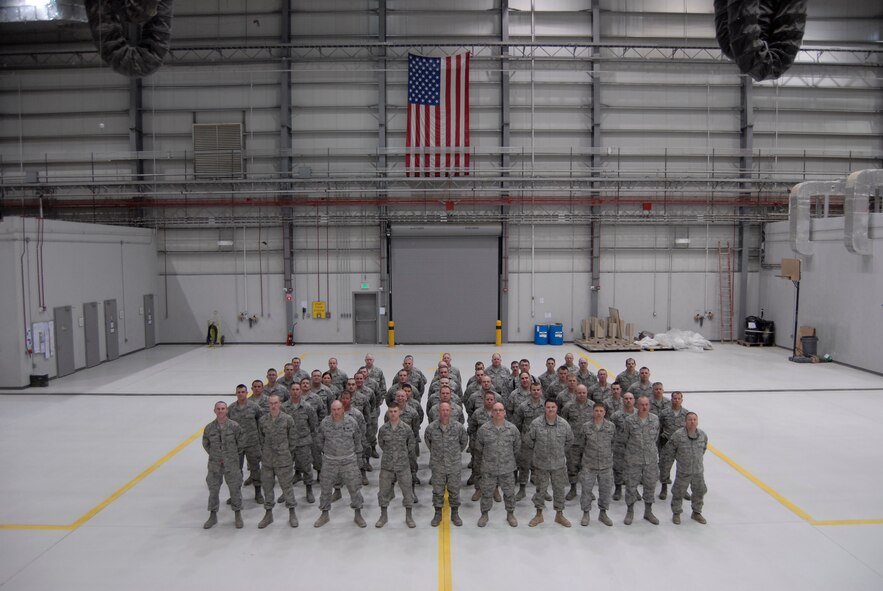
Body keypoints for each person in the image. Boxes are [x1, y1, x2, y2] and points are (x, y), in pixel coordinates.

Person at [314, 401, 366, 528]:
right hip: (330, 461)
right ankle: (324, 514)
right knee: (325, 488)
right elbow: (319, 440)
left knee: (354, 488)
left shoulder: (351, 422)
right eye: (333, 409)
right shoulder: (325, 423)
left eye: (338, 409)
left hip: (348, 461)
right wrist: (327, 452)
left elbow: (358, 440)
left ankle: (358, 513)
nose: (336, 412)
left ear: (343, 409)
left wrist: (358, 460)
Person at [525, 399, 574, 528]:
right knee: (540, 490)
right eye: (548, 407)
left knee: (559, 490)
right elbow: (529, 440)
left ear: (556, 408)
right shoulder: (536, 424)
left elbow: (570, 440)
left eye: (553, 407)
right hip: (541, 464)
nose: (550, 409)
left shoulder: (564, 424)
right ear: (544, 408)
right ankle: (539, 514)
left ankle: (559, 515)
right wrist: (539, 451)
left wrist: (559, 452)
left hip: (558, 464)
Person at [474, 403, 521, 527]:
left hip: (507, 468)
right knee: (486, 493)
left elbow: (517, 448)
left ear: (505, 412)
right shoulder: (484, 429)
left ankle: (510, 514)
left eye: (500, 410)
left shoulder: (512, 429)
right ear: (492, 413)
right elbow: (479, 449)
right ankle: (484, 514)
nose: (498, 412)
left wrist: (508, 459)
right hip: (489, 468)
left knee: (509, 493)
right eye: (495, 410)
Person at [256, 394, 299, 529]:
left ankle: (292, 512)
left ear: (280, 404)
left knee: (287, 488)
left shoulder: (287, 420)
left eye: (275, 403)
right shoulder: (263, 420)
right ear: (268, 405)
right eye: (271, 403)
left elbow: (293, 440)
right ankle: (268, 514)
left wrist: (286, 453)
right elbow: (260, 439)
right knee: (267, 488)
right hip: (268, 461)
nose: (273, 405)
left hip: (283, 460)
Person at [424, 402, 469, 527]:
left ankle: (455, 513)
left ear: (450, 411)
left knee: (454, 490)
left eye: (447, 410)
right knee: (437, 491)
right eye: (442, 410)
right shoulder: (431, 428)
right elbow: (429, 442)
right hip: (438, 466)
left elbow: (464, 442)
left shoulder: (458, 427)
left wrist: (454, 454)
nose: (445, 412)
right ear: (439, 412)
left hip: (454, 465)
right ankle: (437, 513)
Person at [202, 401, 244, 529]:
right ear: (214, 411)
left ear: (226, 411)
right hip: (215, 465)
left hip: (231, 464)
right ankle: (213, 515)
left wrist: (230, 456)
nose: (221, 411)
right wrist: (216, 455)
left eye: (223, 409)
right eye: (218, 409)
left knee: (235, 489)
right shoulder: (209, 428)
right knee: (213, 490)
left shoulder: (234, 426)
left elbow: (241, 443)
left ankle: (237, 514)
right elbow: (206, 444)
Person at [662, 411, 708, 524]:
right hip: (683, 471)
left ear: (697, 421)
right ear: (685, 422)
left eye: (694, 420)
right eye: (690, 420)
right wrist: (666, 469)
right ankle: (676, 513)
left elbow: (703, 450)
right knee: (678, 492)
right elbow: (669, 452)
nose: (692, 422)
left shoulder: (702, 435)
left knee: (699, 492)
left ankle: (696, 512)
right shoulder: (678, 435)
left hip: (698, 471)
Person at [375, 405, 417, 528]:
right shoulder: (383, 429)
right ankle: (383, 516)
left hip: (403, 465)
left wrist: (402, 456)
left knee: (407, 492)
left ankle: (409, 516)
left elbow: (411, 445)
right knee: (383, 491)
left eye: (395, 411)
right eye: (391, 411)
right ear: (388, 413)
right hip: (387, 466)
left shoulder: (406, 429)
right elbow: (381, 443)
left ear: (399, 413)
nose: (393, 414)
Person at [622, 396, 661, 525]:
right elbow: (625, 439)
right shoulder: (629, 420)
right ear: (637, 406)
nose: (644, 407)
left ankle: (648, 512)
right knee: (631, 486)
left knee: (650, 485)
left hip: (650, 460)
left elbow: (655, 437)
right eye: (641, 404)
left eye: (646, 404)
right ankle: (630, 511)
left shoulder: (655, 420)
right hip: (633, 460)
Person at [576, 403, 615, 527]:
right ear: (593, 412)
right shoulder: (586, 427)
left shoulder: (611, 427)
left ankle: (603, 513)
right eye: (596, 410)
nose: (598, 413)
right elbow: (581, 445)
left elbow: (614, 443)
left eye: (601, 411)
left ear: (604, 412)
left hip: (606, 465)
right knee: (586, 490)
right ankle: (586, 513)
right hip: (589, 464)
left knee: (605, 491)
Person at [281, 383, 318, 504]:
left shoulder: (307, 407)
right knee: (286, 469)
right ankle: (286, 492)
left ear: (301, 391)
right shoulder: (284, 407)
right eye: (293, 389)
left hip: (303, 443)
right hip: (288, 444)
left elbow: (313, 425)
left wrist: (307, 437)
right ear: (290, 391)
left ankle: (309, 490)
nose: (295, 392)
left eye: (298, 389)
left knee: (307, 467)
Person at [227, 384, 263, 500]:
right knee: (236, 470)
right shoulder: (231, 409)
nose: (241, 394)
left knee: (255, 468)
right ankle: (236, 495)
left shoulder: (254, 407)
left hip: (252, 443)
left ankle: (258, 493)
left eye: (243, 392)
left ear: (247, 393)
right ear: (236, 393)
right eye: (239, 392)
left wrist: (260, 441)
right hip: (237, 445)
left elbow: (260, 423)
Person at [513, 382, 545, 501]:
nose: (536, 392)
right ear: (530, 391)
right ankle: (522, 490)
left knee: (541, 467)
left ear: (541, 391)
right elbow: (517, 423)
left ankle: (542, 490)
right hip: (527, 442)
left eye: (538, 390)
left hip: (542, 442)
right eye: (534, 390)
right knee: (524, 466)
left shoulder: (546, 406)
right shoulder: (523, 406)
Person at [561, 384, 593, 501]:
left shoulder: (592, 406)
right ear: (575, 393)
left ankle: (587, 490)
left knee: (587, 468)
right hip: (573, 443)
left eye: (584, 393)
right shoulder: (568, 407)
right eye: (579, 393)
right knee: (572, 467)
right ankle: (573, 488)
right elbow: (563, 423)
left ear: (587, 393)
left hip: (588, 443)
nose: (581, 395)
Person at [658, 391, 689, 500]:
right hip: (668, 444)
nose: (676, 400)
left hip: (682, 446)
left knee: (683, 469)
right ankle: (664, 487)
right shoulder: (664, 413)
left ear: (682, 400)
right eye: (674, 398)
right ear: (671, 399)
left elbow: (689, 430)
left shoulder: (686, 414)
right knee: (665, 467)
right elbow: (659, 428)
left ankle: (682, 489)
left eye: (678, 398)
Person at [467, 391, 496, 494]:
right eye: (487, 399)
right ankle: (478, 490)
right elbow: (471, 429)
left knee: (495, 469)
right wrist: (475, 444)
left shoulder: (498, 412)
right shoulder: (477, 413)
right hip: (480, 446)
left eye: (491, 399)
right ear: (484, 400)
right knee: (477, 468)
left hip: (494, 447)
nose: (489, 401)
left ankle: (495, 490)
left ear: (494, 400)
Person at [610, 391, 636, 501]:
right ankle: (618, 488)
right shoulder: (616, 416)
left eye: (630, 398)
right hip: (619, 446)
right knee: (618, 468)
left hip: (635, 447)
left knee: (635, 469)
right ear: (622, 400)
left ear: (634, 400)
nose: (628, 401)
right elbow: (611, 430)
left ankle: (634, 490)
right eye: (626, 398)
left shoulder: (639, 414)